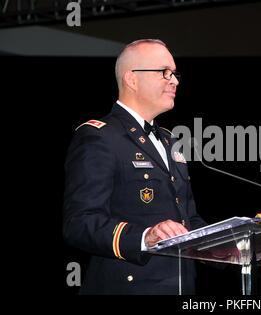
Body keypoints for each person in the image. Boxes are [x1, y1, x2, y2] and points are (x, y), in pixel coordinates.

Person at [63, 39, 207, 294]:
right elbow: (80, 223)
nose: (175, 81)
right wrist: (145, 236)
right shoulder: (100, 137)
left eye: (175, 73)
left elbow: (188, 219)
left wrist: (229, 243)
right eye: (165, 72)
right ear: (132, 79)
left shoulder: (169, 140)